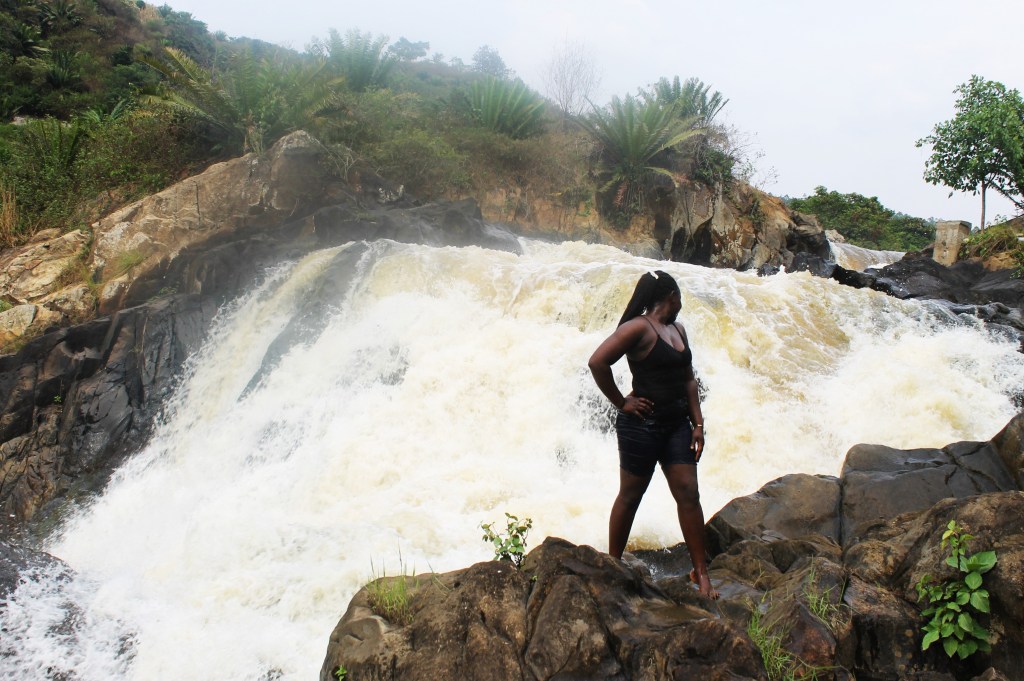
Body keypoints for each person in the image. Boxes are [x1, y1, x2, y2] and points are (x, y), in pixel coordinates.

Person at [588, 270, 718, 598]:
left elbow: (689, 380)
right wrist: (623, 402)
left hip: (677, 426)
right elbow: (597, 362)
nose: (682, 303)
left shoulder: (679, 330)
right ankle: (613, 567)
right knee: (630, 496)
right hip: (641, 427)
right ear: (670, 296)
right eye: (680, 297)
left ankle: (701, 576)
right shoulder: (638, 328)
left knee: (689, 493)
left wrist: (698, 424)